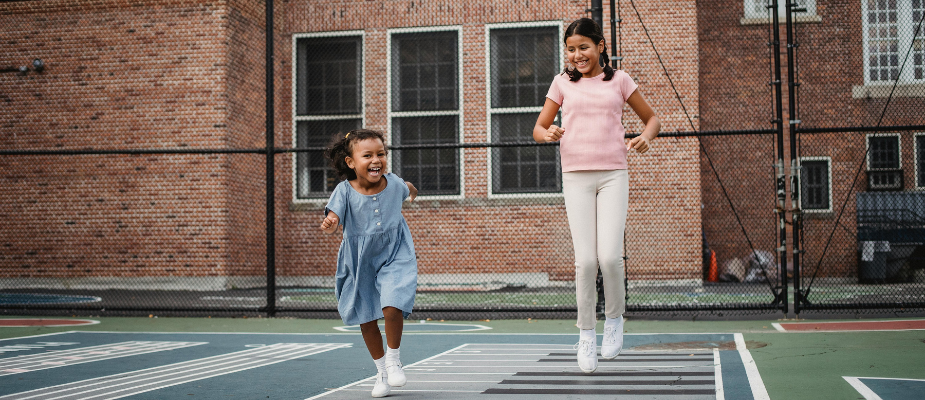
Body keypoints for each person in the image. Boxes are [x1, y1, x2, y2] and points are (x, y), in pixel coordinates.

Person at [533, 18, 661, 373]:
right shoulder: (561, 83)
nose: (576, 55)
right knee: (586, 261)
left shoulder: (619, 80)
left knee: (609, 257)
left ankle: (615, 321)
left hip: (613, 175)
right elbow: (539, 127)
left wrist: (645, 139)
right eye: (571, 49)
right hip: (575, 177)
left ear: (600, 46)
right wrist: (547, 134)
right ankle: (586, 333)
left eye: (583, 47)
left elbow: (652, 119)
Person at [320, 129, 419, 397]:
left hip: (394, 252)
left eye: (381, 154)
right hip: (359, 259)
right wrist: (330, 224)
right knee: (366, 317)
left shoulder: (393, 183)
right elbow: (332, 222)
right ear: (351, 162)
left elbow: (407, 187)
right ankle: (381, 373)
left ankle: (394, 358)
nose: (376, 160)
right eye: (368, 155)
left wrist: (412, 192)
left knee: (392, 303)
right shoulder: (343, 191)